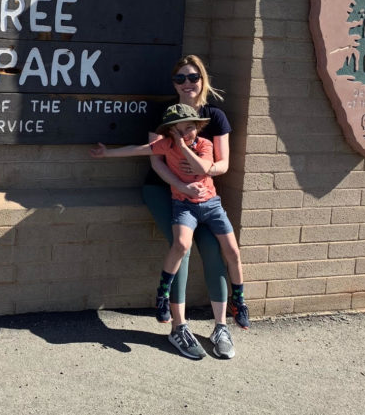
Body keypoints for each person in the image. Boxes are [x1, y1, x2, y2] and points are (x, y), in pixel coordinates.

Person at [92, 102, 246, 360]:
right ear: (170, 132)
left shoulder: (205, 145)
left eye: (189, 128)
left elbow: (203, 168)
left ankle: (238, 302)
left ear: (198, 127)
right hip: (183, 205)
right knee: (181, 245)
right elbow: (141, 150)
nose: (184, 133)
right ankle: (162, 296)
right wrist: (108, 153)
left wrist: (185, 148)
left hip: (211, 206)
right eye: (178, 130)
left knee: (231, 250)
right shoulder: (166, 145)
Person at [142, 55, 249, 359]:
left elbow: (223, 163)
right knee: (183, 249)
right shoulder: (163, 114)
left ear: (203, 80)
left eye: (193, 77)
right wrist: (180, 185)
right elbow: (155, 159)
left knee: (215, 250)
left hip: (203, 196)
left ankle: (220, 326)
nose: (187, 83)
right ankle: (178, 327)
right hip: (163, 190)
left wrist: (204, 174)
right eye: (180, 78)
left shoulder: (215, 116)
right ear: (173, 82)